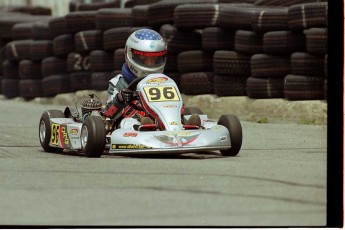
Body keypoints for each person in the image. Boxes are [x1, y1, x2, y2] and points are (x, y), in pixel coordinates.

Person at [103, 28, 201, 130]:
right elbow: (108, 115)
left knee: (190, 115)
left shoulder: (164, 82)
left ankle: (190, 127)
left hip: (162, 121)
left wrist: (181, 112)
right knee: (127, 122)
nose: (150, 64)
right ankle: (145, 128)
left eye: (155, 60)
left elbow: (176, 107)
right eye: (144, 60)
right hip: (133, 124)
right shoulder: (118, 83)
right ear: (129, 55)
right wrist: (120, 99)